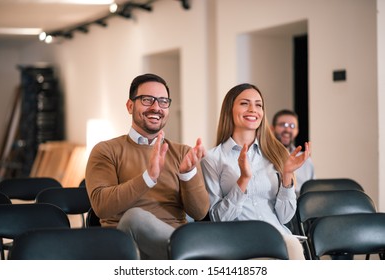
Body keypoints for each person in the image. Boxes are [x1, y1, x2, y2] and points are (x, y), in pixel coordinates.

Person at [85, 73, 209, 260]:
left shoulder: (183, 153)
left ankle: (192, 258)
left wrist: (187, 175)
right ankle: (198, 261)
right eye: (147, 100)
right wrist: (147, 178)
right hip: (127, 246)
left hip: (173, 242)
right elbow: (101, 206)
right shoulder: (106, 150)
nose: (156, 107)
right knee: (135, 217)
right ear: (130, 106)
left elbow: (200, 213)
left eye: (163, 101)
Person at [201, 83, 311, 260]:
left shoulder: (277, 153)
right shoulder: (212, 159)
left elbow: (285, 217)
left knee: (292, 246)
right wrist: (243, 180)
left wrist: (287, 175)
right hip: (241, 245)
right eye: (244, 103)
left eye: (258, 104)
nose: (253, 109)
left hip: (280, 240)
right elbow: (219, 220)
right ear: (230, 109)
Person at [271, 109, 315, 196]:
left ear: (297, 131)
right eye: (283, 125)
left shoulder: (306, 159)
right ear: (272, 128)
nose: (287, 129)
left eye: (292, 126)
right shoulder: (263, 155)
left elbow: (312, 192)